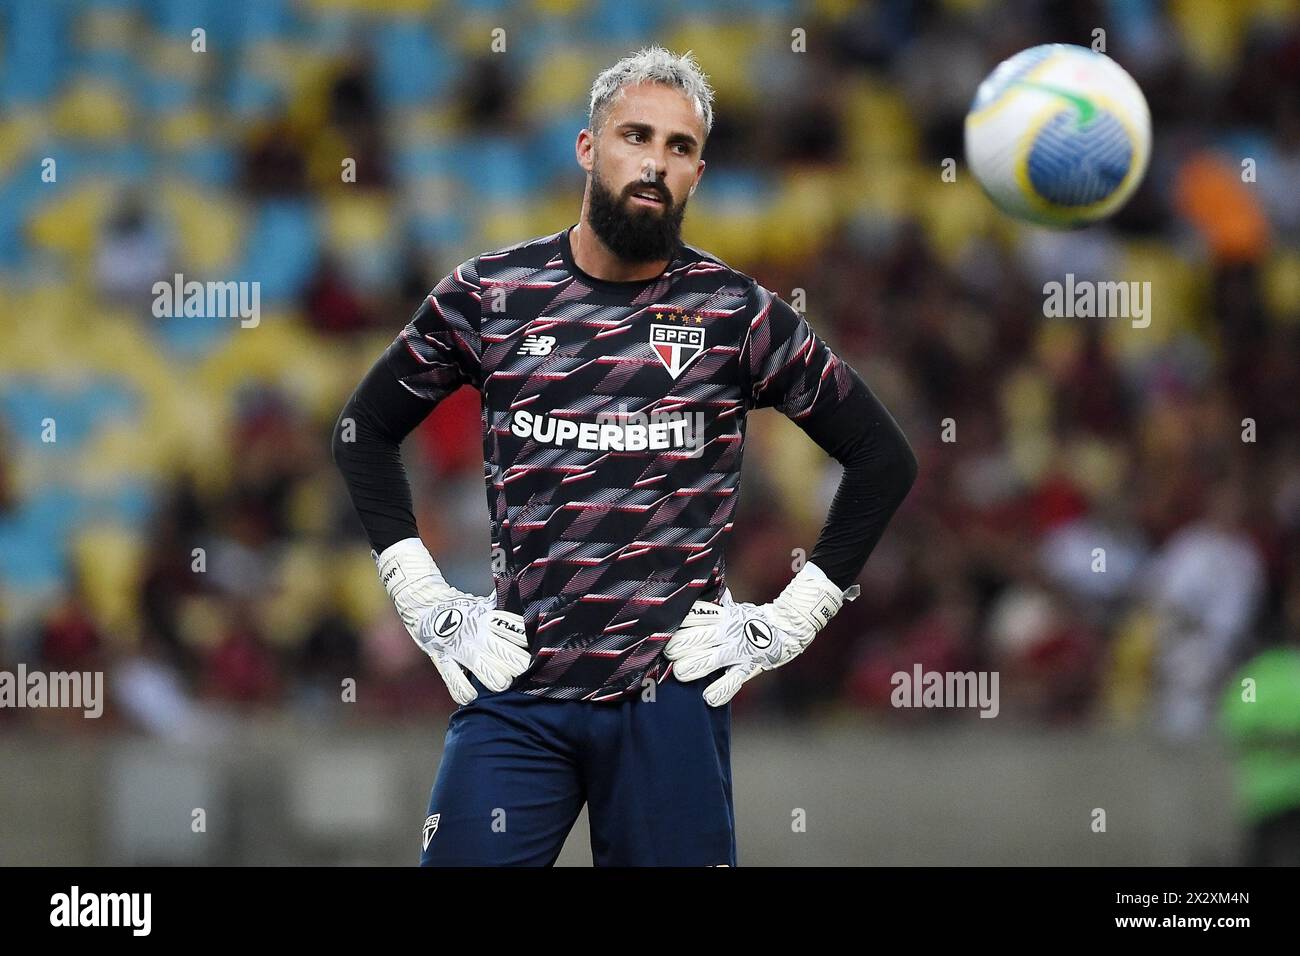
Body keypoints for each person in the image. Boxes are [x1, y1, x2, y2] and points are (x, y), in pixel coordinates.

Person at [332, 46, 917, 866]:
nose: (655, 162)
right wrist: (424, 600)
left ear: (698, 172)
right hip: (518, 688)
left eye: (679, 148)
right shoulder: (490, 295)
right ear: (587, 147)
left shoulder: (734, 313)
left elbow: (883, 458)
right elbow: (362, 431)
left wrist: (790, 619)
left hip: (667, 701)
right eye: (635, 136)